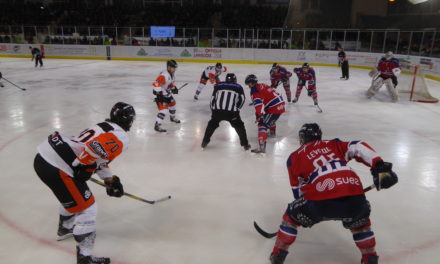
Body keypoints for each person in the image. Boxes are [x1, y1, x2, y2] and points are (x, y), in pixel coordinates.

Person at [269, 123, 398, 264]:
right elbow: (358, 146)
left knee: (290, 217)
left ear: (302, 139)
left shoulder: (294, 157)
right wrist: (379, 165)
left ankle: (278, 254)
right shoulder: (333, 144)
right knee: (361, 224)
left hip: (319, 202)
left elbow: (298, 193)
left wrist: (306, 211)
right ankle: (370, 258)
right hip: (355, 197)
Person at [33, 102, 136, 264]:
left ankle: (65, 228)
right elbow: (95, 148)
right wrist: (84, 166)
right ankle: (84, 258)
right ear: (130, 120)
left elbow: (98, 156)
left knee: (74, 198)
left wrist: (109, 180)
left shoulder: (104, 125)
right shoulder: (121, 135)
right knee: (88, 208)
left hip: (44, 157)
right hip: (58, 166)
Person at [201, 73, 250, 150]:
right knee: (239, 126)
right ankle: (245, 144)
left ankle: (204, 142)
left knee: (211, 125)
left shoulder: (218, 85)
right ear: (235, 80)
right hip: (232, 113)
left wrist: (213, 110)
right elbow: (242, 99)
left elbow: (212, 98)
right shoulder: (238, 87)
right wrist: (237, 109)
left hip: (217, 111)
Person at [244, 74, 285, 154]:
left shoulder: (254, 91)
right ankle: (272, 133)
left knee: (262, 124)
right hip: (280, 104)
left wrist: (259, 115)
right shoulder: (261, 85)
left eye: (248, 83)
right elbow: (265, 95)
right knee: (268, 117)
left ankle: (262, 147)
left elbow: (258, 105)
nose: (248, 85)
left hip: (275, 107)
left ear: (251, 83)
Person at [153, 59, 180, 132]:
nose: (175, 69)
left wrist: (174, 88)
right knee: (163, 110)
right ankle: (157, 125)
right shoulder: (164, 75)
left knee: (173, 104)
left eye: (175, 68)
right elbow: (156, 83)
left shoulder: (172, 75)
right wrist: (158, 93)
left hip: (166, 94)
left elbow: (169, 84)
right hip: (161, 95)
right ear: (168, 67)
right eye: (173, 67)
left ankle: (172, 118)